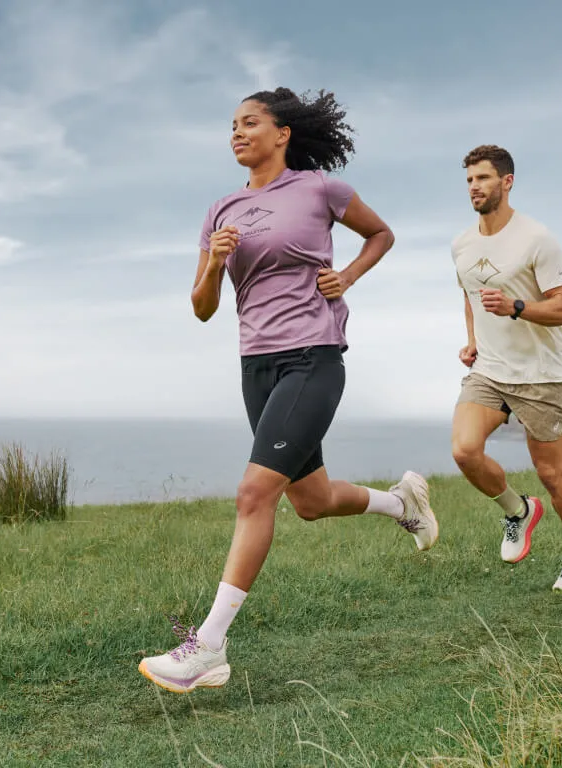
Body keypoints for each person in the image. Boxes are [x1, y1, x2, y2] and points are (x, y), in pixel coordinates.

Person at [138, 88, 438, 694]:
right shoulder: (220, 209)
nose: (237, 133)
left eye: (250, 123)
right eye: (231, 125)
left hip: (312, 357)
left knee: (255, 493)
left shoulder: (319, 189)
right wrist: (215, 265)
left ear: (283, 134)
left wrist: (346, 276)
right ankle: (402, 504)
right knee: (311, 499)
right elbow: (201, 310)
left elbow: (380, 233)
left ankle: (208, 648)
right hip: (256, 365)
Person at [450, 144, 562, 592]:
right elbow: (470, 294)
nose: (475, 186)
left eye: (484, 178)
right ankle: (519, 511)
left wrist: (516, 306)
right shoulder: (462, 244)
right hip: (490, 371)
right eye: (470, 179)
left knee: (551, 475)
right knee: (464, 451)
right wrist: (473, 341)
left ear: (506, 182)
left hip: (540, 375)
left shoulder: (537, 239)